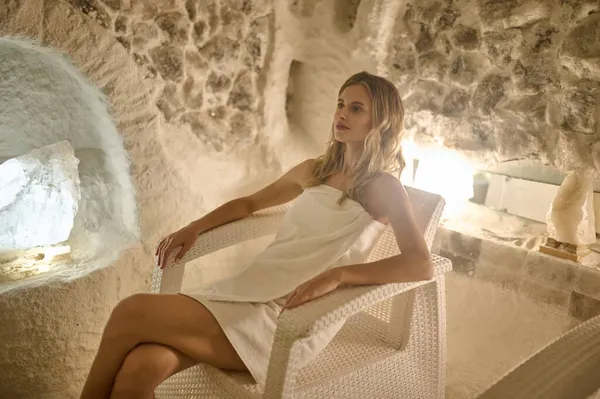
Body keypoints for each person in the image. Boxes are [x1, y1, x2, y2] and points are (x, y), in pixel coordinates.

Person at [80, 71, 434, 399]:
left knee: (131, 311)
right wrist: (194, 227)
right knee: (142, 367)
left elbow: (420, 264)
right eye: (341, 104)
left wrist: (339, 275)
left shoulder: (384, 187)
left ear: (381, 122)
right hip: (248, 288)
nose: (342, 113)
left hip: (289, 316)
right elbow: (250, 203)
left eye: (356, 108)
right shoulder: (314, 170)